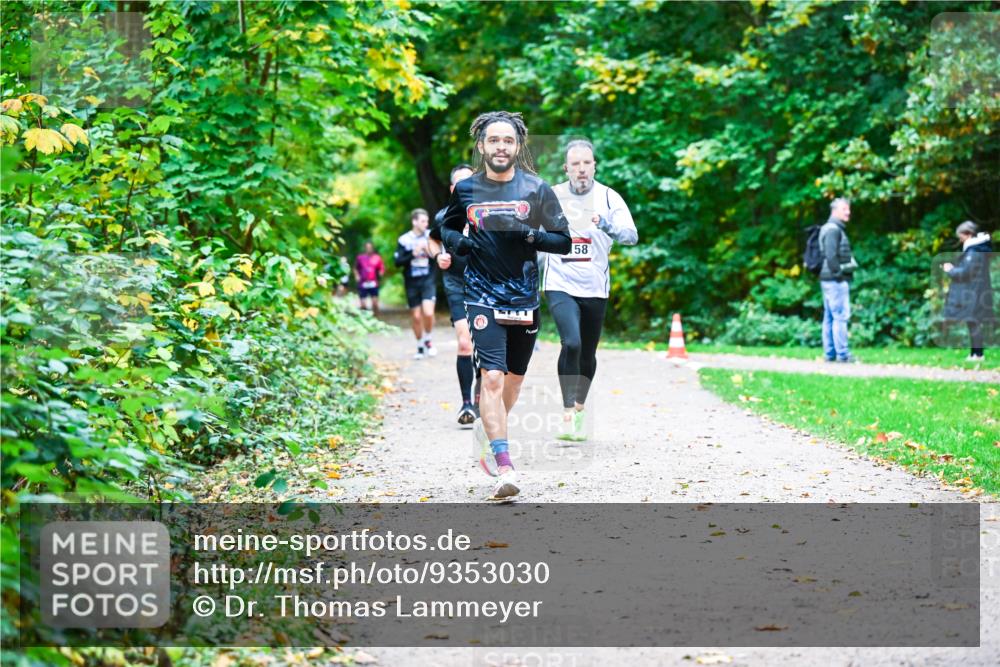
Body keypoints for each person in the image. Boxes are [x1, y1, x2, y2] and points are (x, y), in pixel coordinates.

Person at [440, 111, 571, 498]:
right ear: (481, 146)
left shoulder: (536, 188)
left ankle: (490, 431)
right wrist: (459, 243)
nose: (501, 147)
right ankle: (504, 466)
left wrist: (530, 235)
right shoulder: (466, 191)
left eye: (508, 141)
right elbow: (445, 228)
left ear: (518, 146)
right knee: (492, 379)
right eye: (494, 140)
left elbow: (563, 241)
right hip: (480, 294)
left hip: (525, 296)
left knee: (513, 380)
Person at [541, 139, 638, 441]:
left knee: (588, 352)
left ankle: (580, 406)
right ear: (566, 168)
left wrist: (606, 224)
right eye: (575, 164)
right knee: (571, 342)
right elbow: (532, 237)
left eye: (587, 163)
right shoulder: (552, 196)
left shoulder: (609, 197)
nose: (581, 169)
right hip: (559, 281)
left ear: (594, 165)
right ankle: (568, 412)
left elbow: (631, 236)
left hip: (595, 286)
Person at [429, 164, 479, 426]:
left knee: (486, 347)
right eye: (461, 184)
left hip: (486, 284)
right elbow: (433, 239)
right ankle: (466, 404)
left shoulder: (488, 213)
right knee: (464, 343)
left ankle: (483, 402)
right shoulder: (443, 216)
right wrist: (439, 256)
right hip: (457, 283)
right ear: (452, 189)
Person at [942, 221, 994, 361]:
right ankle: (974, 354)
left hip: (975, 293)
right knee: (972, 322)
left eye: (961, 236)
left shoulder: (974, 251)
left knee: (974, 322)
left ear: (969, 234)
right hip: (975, 291)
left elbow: (966, 272)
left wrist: (950, 270)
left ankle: (978, 355)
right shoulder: (976, 250)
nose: (960, 239)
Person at [818, 197, 859, 363]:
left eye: (848, 209)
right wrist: (839, 275)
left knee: (829, 317)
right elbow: (830, 255)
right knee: (840, 316)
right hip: (834, 280)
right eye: (845, 209)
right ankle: (842, 355)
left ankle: (830, 354)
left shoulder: (830, 228)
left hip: (828, 279)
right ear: (835, 211)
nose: (848, 212)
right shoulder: (833, 229)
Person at [394, 209, 438, 359]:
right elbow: (397, 262)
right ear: (414, 222)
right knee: (417, 316)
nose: (426, 224)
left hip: (428, 280)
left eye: (427, 221)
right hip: (411, 282)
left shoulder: (431, 236)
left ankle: (429, 339)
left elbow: (440, 256)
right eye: (423, 221)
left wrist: (430, 251)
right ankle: (420, 346)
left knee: (429, 312)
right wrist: (412, 254)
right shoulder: (404, 240)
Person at [354, 242, 385, 314]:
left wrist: (381, 272)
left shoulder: (377, 258)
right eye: (367, 247)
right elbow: (355, 268)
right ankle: (365, 320)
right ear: (365, 248)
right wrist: (357, 276)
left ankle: (376, 318)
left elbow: (382, 268)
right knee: (363, 304)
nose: (369, 249)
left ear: (373, 248)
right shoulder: (360, 257)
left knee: (375, 303)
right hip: (363, 283)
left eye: (370, 247)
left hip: (373, 282)